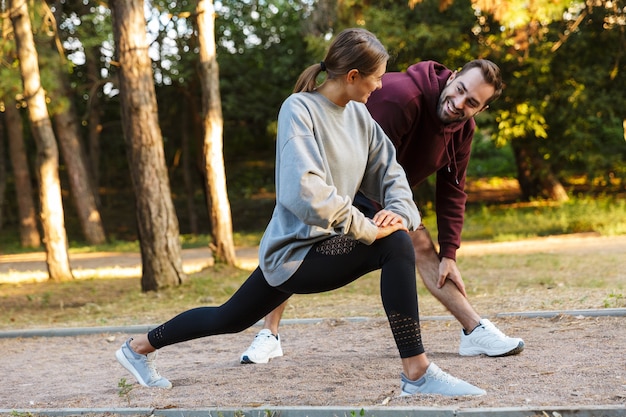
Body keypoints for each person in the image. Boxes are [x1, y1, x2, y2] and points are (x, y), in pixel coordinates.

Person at [115, 28, 485, 397]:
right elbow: (304, 191)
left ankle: (137, 348)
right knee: (395, 247)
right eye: (375, 78)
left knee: (229, 317)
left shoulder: (360, 117)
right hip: (294, 253)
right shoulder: (299, 110)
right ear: (353, 76)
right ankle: (417, 374)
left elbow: (392, 174)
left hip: (329, 244)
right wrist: (366, 227)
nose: (379, 86)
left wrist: (400, 213)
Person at [240, 58, 525, 365]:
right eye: (459, 90)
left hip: (388, 196)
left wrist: (451, 253)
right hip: (334, 188)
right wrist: (384, 219)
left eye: (471, 102)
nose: (458, 103)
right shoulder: (401, 98)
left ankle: (473, 330)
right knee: (293, 250)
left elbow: (453, 190)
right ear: (453, 77)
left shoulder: (462, 130)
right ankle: (268, 332)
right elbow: (369, 161)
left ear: (480, 110)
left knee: (423, 246)